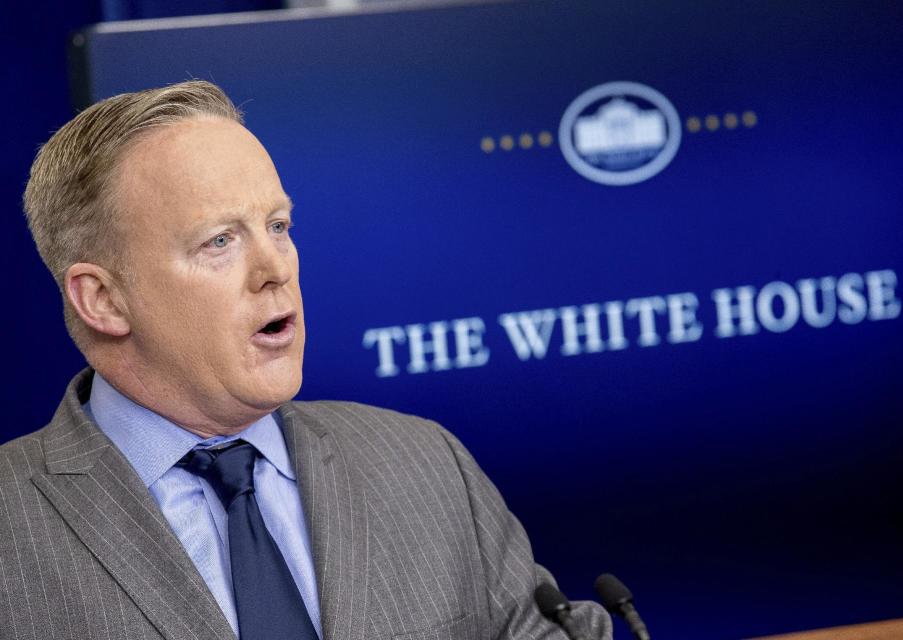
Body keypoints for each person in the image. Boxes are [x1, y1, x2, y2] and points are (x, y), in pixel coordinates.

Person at [0, 81, 611, 640]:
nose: (276, 268)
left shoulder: (427, 464)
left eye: (278, 225)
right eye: (220, 241)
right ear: (103, 299)